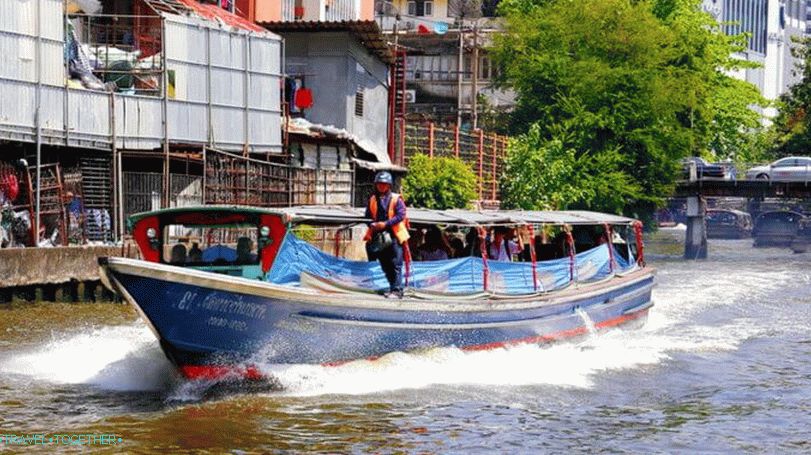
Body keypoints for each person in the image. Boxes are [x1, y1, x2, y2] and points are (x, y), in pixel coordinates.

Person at [364, 171, 409, 298]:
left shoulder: (396, 199)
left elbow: (401, 215)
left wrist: (385, 224)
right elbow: (367, 216)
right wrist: (373, 225)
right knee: (385, 264)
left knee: (395, 264)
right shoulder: (373, 199)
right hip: (380, 237)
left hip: (394, 236)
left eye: (384, 184)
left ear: (389, 185)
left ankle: (397, 290)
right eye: (379, 184)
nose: (381, 186)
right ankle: (391, 288)